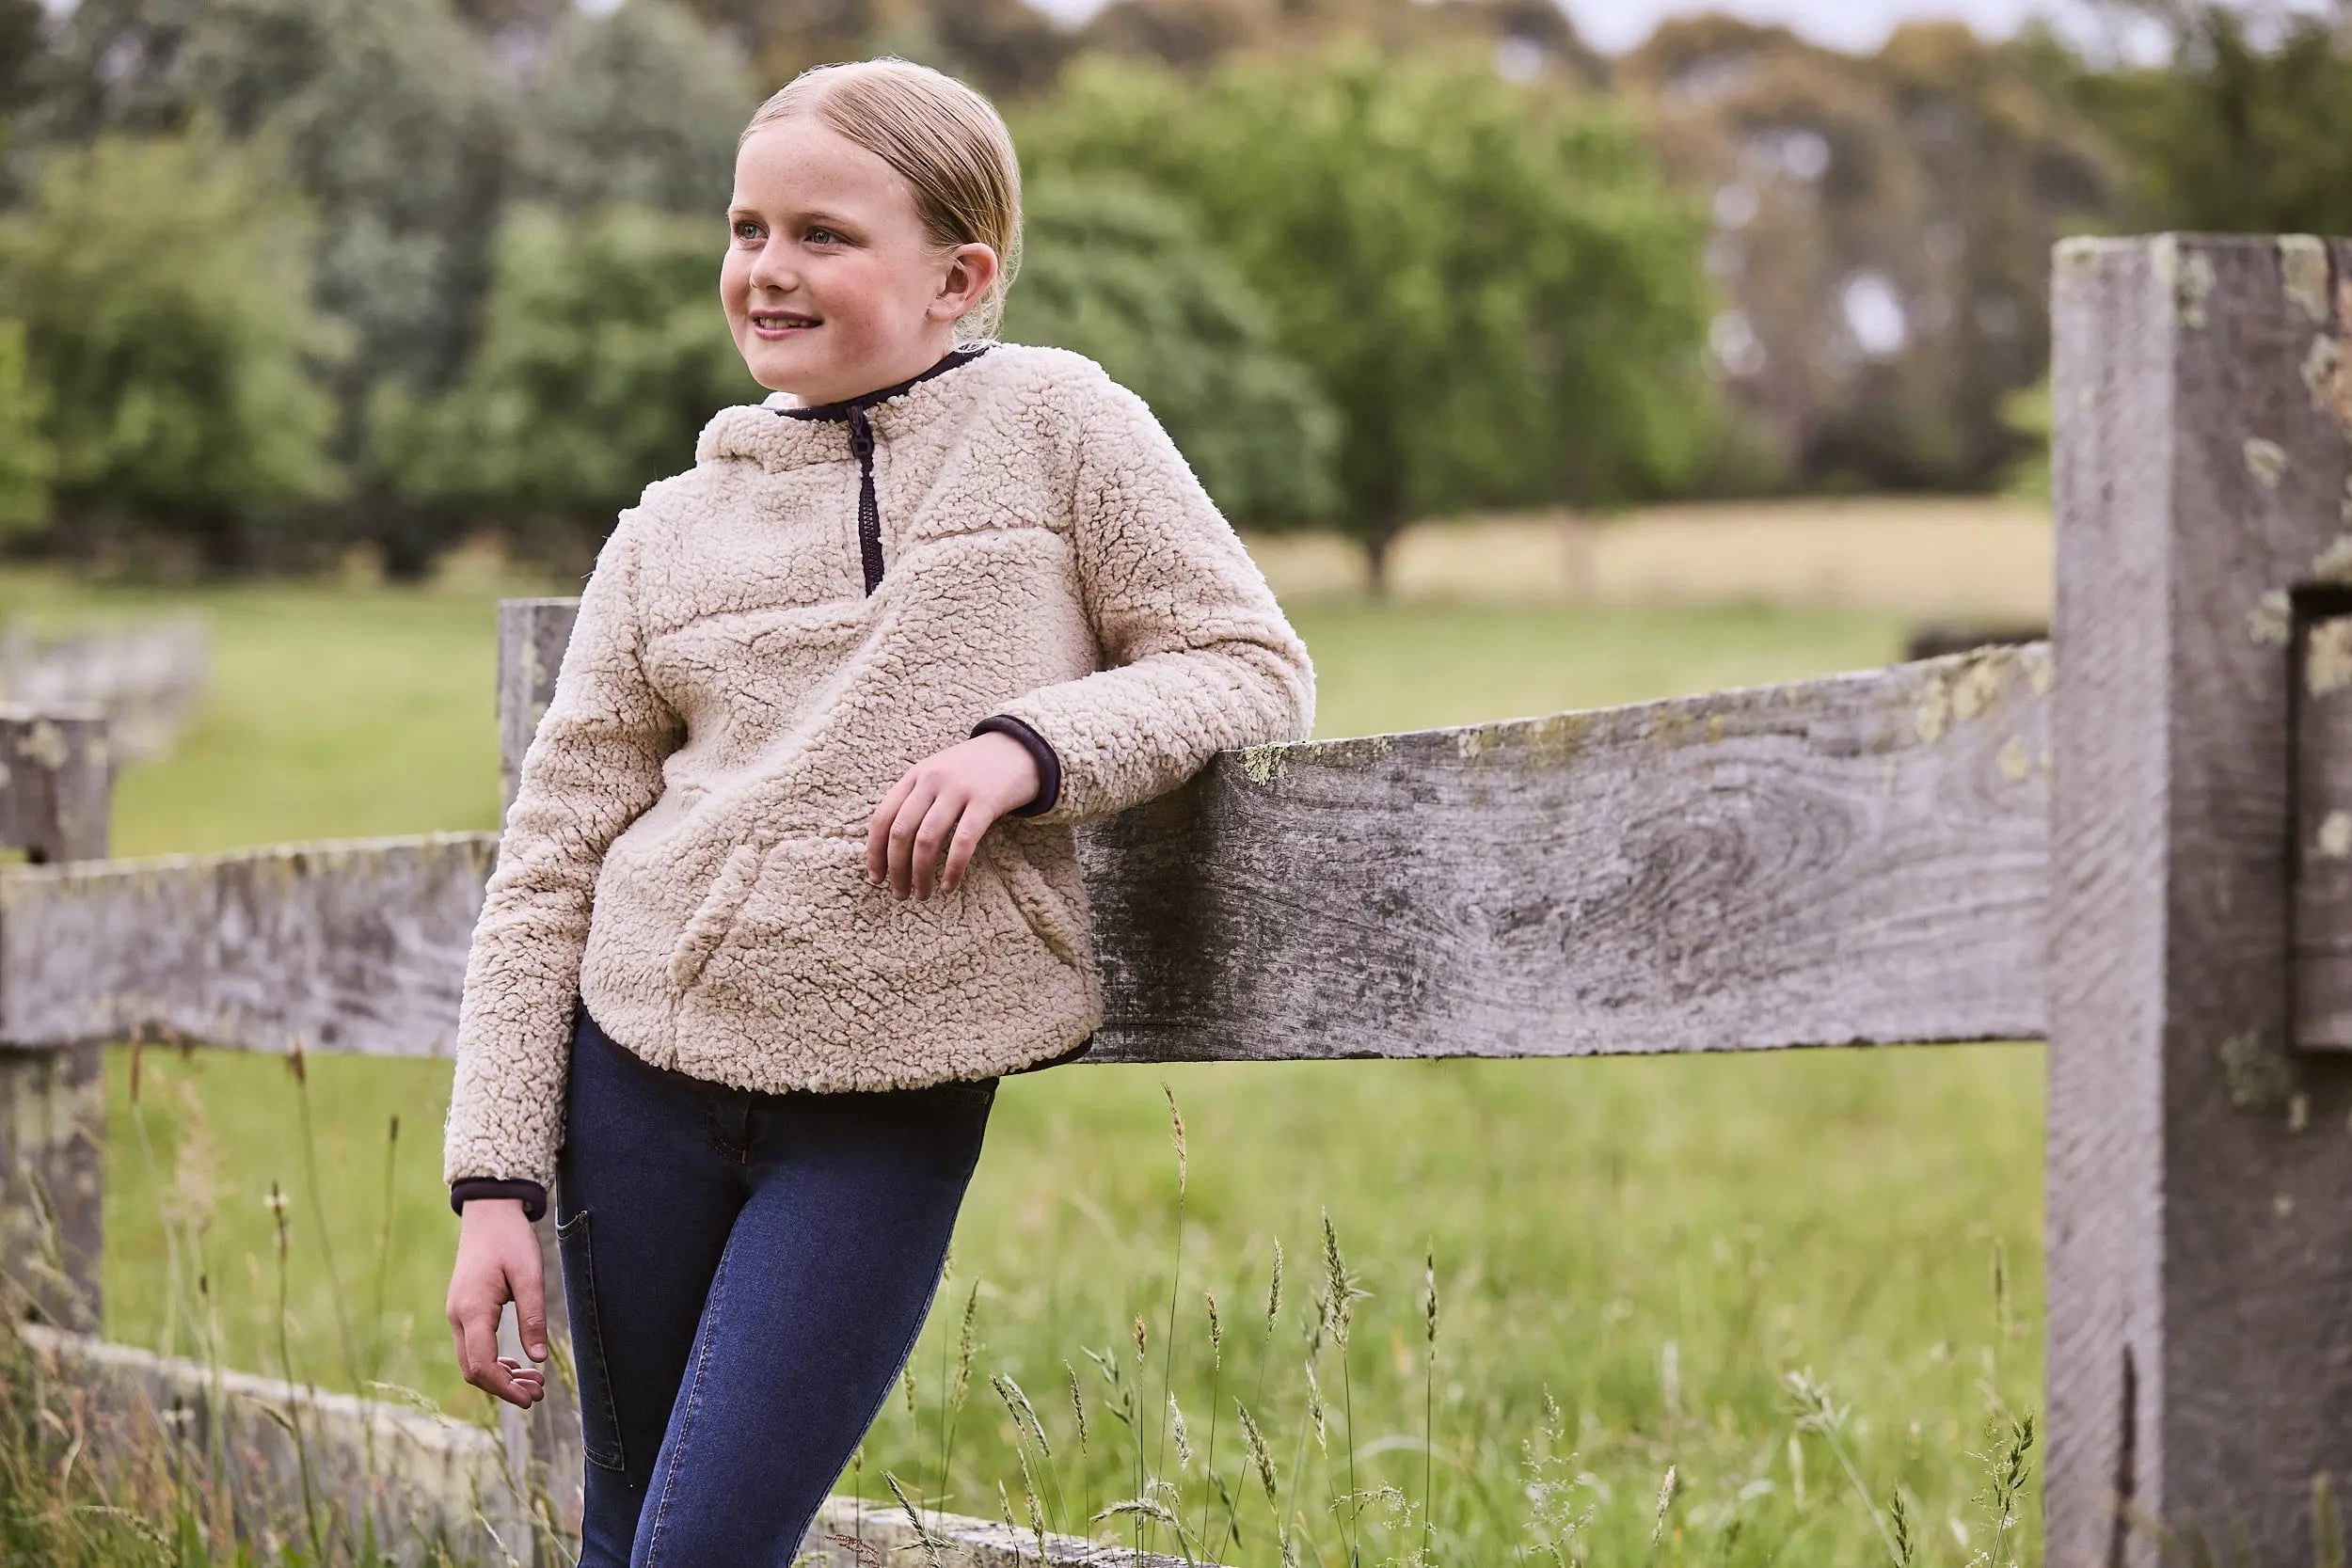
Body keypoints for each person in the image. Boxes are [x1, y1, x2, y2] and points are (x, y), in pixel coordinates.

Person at [438, 55, 1318, 1567]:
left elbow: (1248, 665)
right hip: (634, 1081)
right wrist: (494, 1181)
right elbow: (552, 857)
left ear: (956, 278)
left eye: (823, 235)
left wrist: (1028, 748)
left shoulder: (1060, 426)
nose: (767, 268)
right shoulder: (663, 533)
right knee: (623, 1540)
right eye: (747, 228)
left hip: (885, 1094)